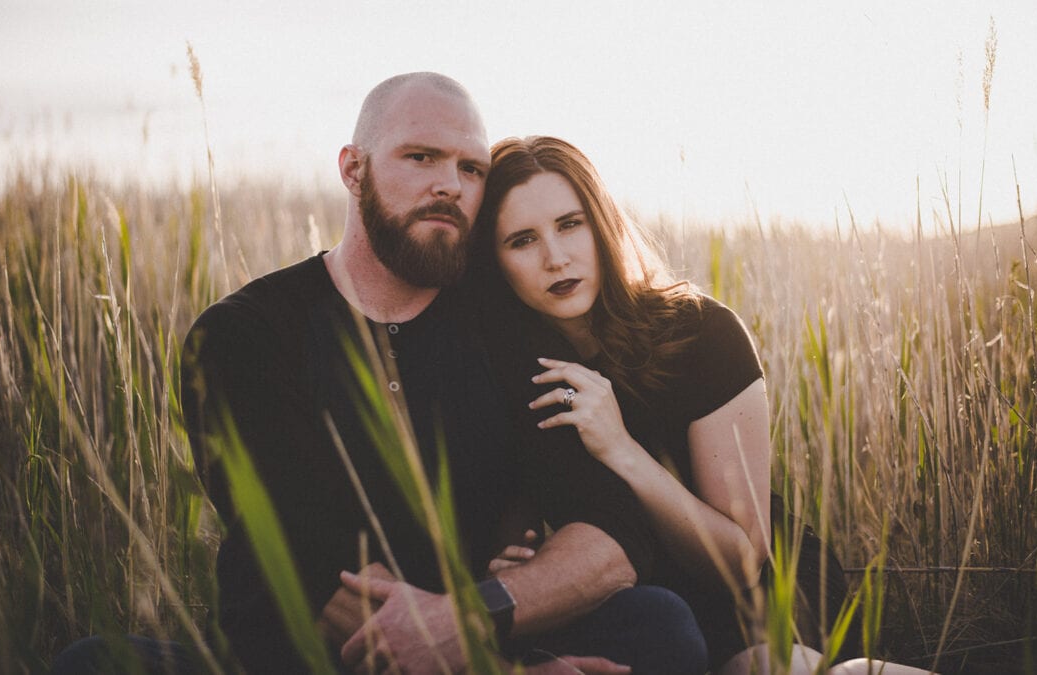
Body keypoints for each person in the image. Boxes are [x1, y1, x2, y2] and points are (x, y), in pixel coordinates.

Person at [175, 74, 706, 675]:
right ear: (354, 170)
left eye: (471, 169)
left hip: (487, 633)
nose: (450, 185)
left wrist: (474, 617)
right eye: (421, 157)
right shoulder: (245, 336)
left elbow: (614, 540)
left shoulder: (506, 328)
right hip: (314, 661)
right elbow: (316, 573)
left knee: (660, 624)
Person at [468, 135, 935, 675]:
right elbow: (521, 515)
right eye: (522, 240)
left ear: (603, 224)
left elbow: (741, 560)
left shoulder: (701, 334)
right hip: (642, 612)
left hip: (764, 598)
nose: (556, 257)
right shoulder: (509, 370)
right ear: (495, 262)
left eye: (571, 224)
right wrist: (515, 569)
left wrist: (620, 448)